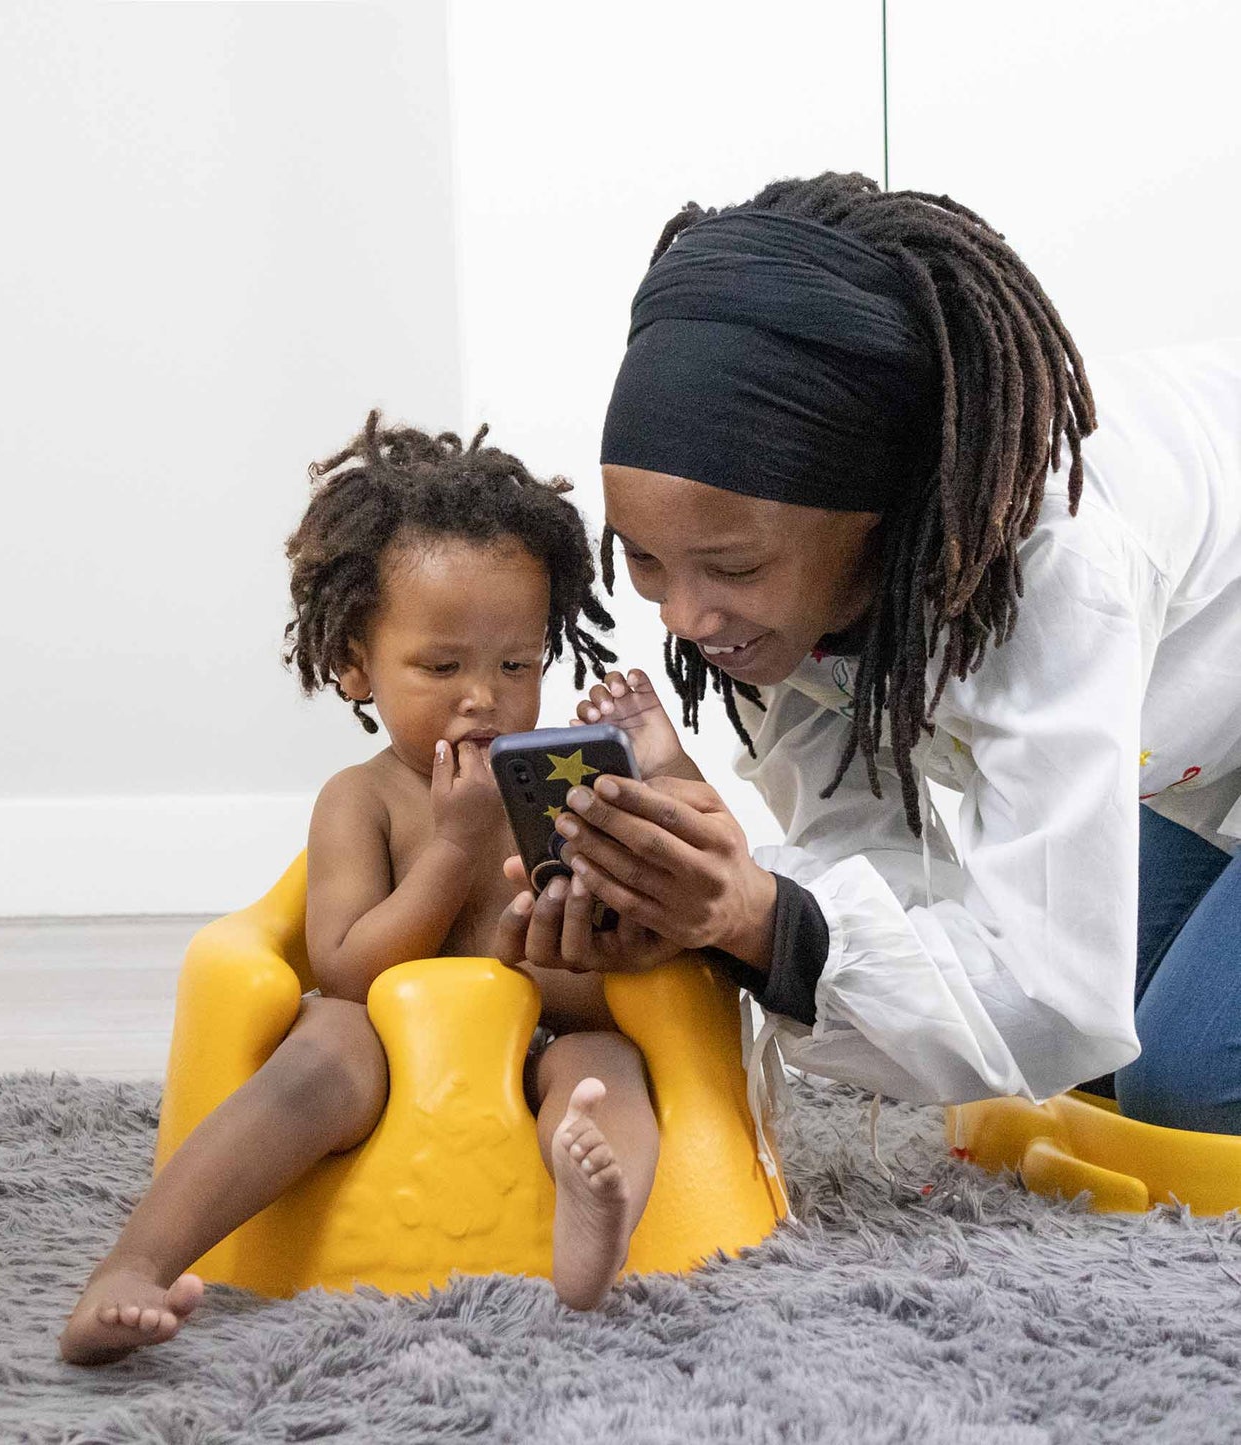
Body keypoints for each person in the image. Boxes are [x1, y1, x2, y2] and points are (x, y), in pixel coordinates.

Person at [496, 172, 1241, 1138]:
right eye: (642, 558)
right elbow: (878, 874)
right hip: (1200, 745)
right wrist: (719, 918)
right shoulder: (769, 609)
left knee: (1185, 1085)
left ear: (877, 514)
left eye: (732, 566)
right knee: (1099, 1058)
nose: (683, 615)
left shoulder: (1057, 565)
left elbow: (1051, 1004)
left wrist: (758, 918)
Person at [60, 414, 660, 1365]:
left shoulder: (556, 790)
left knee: (604, 1066)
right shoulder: (362, 799)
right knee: (322, 1046)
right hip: (377, 1055)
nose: (483, 695)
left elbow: (608, 991)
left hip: (534, 1046)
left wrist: (576, 933)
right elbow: (345, 968)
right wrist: (453, 849)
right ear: (354, 665)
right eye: (441, 666)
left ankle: (595, 1220)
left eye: (516, 663)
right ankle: (136, 1263)